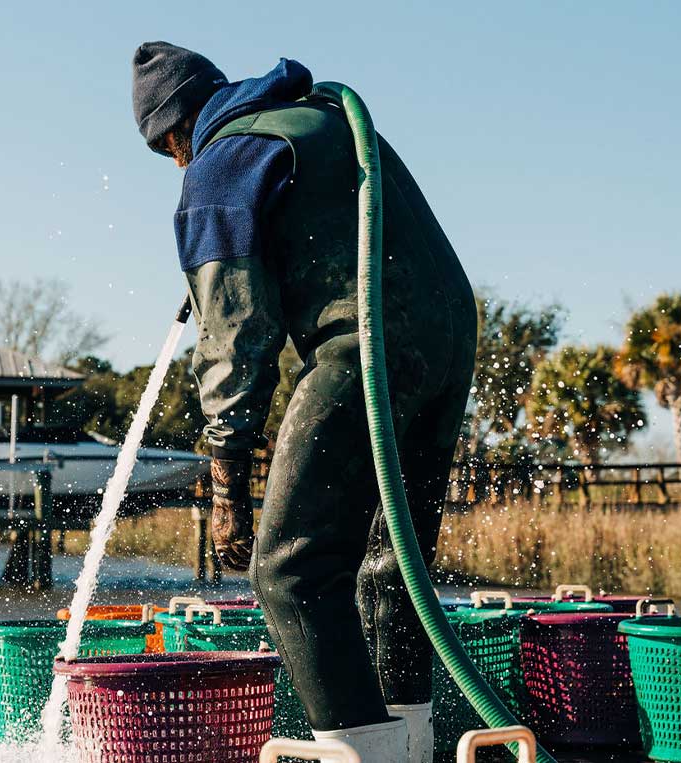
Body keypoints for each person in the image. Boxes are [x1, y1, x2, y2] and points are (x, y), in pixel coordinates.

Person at [133, 41, 477, 763]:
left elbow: (235, 338)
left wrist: (227, 473)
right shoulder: (317, 117)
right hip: (449, 335)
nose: (176, 167)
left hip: (367, 346)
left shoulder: (219, 166)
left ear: (174, 133)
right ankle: (412, 746)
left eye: (168, 153)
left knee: (289, 568)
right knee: (392, 563)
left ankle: (367, 754)